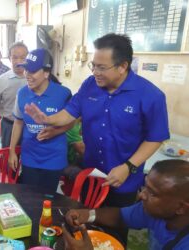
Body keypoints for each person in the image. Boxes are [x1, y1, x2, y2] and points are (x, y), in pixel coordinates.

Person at [25, 34, 169, 205]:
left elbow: (156, 137)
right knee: (87, 220)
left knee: (115, 227)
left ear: (123, 66)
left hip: (124, 179)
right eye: (93, 66)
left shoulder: (150, 96)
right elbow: (69, 112)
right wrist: (47, 119)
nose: (95, 72)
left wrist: (128, 167)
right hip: (91, 174)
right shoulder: (90, 85)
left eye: (101, 68)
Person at [63, 159, 189, 250]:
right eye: (145, 187)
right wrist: (87, 215)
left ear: (181, 208)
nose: (141, 195)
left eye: (153, 193)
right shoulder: (156, 211)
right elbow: (120, 216)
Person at [8, 48, 73, 193]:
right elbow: (18, 122)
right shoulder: (22, 93)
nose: (27, 75)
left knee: (47, 199)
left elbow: (72, 121)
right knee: (29, 196)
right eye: (26, 70)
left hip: (54, 157)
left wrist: (55, 132)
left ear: (46, 72)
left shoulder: (63, 94)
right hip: (29, 156)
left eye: (32, 71)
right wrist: (12, 151)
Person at [0, 42, 28, 149]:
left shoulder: (35, 79)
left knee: (29, 160)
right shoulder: (0, 81)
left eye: (23, 57)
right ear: (10, 58)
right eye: (15, 57)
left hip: (30, 127)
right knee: (9, 160)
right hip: (8, 126)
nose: (19, 61)